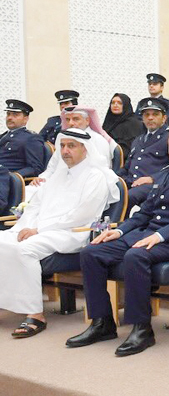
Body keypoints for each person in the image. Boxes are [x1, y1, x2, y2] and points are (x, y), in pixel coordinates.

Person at [68, 113, 169, 357]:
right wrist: (118, 230)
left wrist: (160, 236)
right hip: (148, 234)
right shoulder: (165, 173)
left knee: (135, 255)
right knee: (91, 252)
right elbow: (145, 213)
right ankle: (102, 323)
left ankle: (141, 328)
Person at [0, 129, 120, 338]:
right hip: (41, 230)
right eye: (63, 146)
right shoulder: (58, 174)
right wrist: (22, 228)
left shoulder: (96, 177)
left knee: (25, 249)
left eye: (71, 146)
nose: (65, 151)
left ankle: (35, 314)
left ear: (85, 149)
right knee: (4, 240)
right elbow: (35, 206)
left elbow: (81, 215)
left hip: (72, 233)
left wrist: (38, 230)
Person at [116, 98, 169, 206]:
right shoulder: (138, 140)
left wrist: (152, 178)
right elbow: (127, 167)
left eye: (155, 114)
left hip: (153, 184)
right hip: (130, 182)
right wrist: (113, 177)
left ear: (164, 118)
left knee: (127, 197)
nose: (150, 118)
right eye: (146, 115)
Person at [0, 100, 46, 177]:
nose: (10, 118)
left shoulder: (31, 138)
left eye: (15, 115)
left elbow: (35, 168)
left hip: (7, 179)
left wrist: (13, 176)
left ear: (25, 118)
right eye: (8, 114)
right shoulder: (3, 136)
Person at [103, 93, 143, 161]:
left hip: (127, 161)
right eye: (113, 103)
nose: (115, 105)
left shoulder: (134, 123)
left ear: (126, 105)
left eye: (119, 103)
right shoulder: (108, 122)